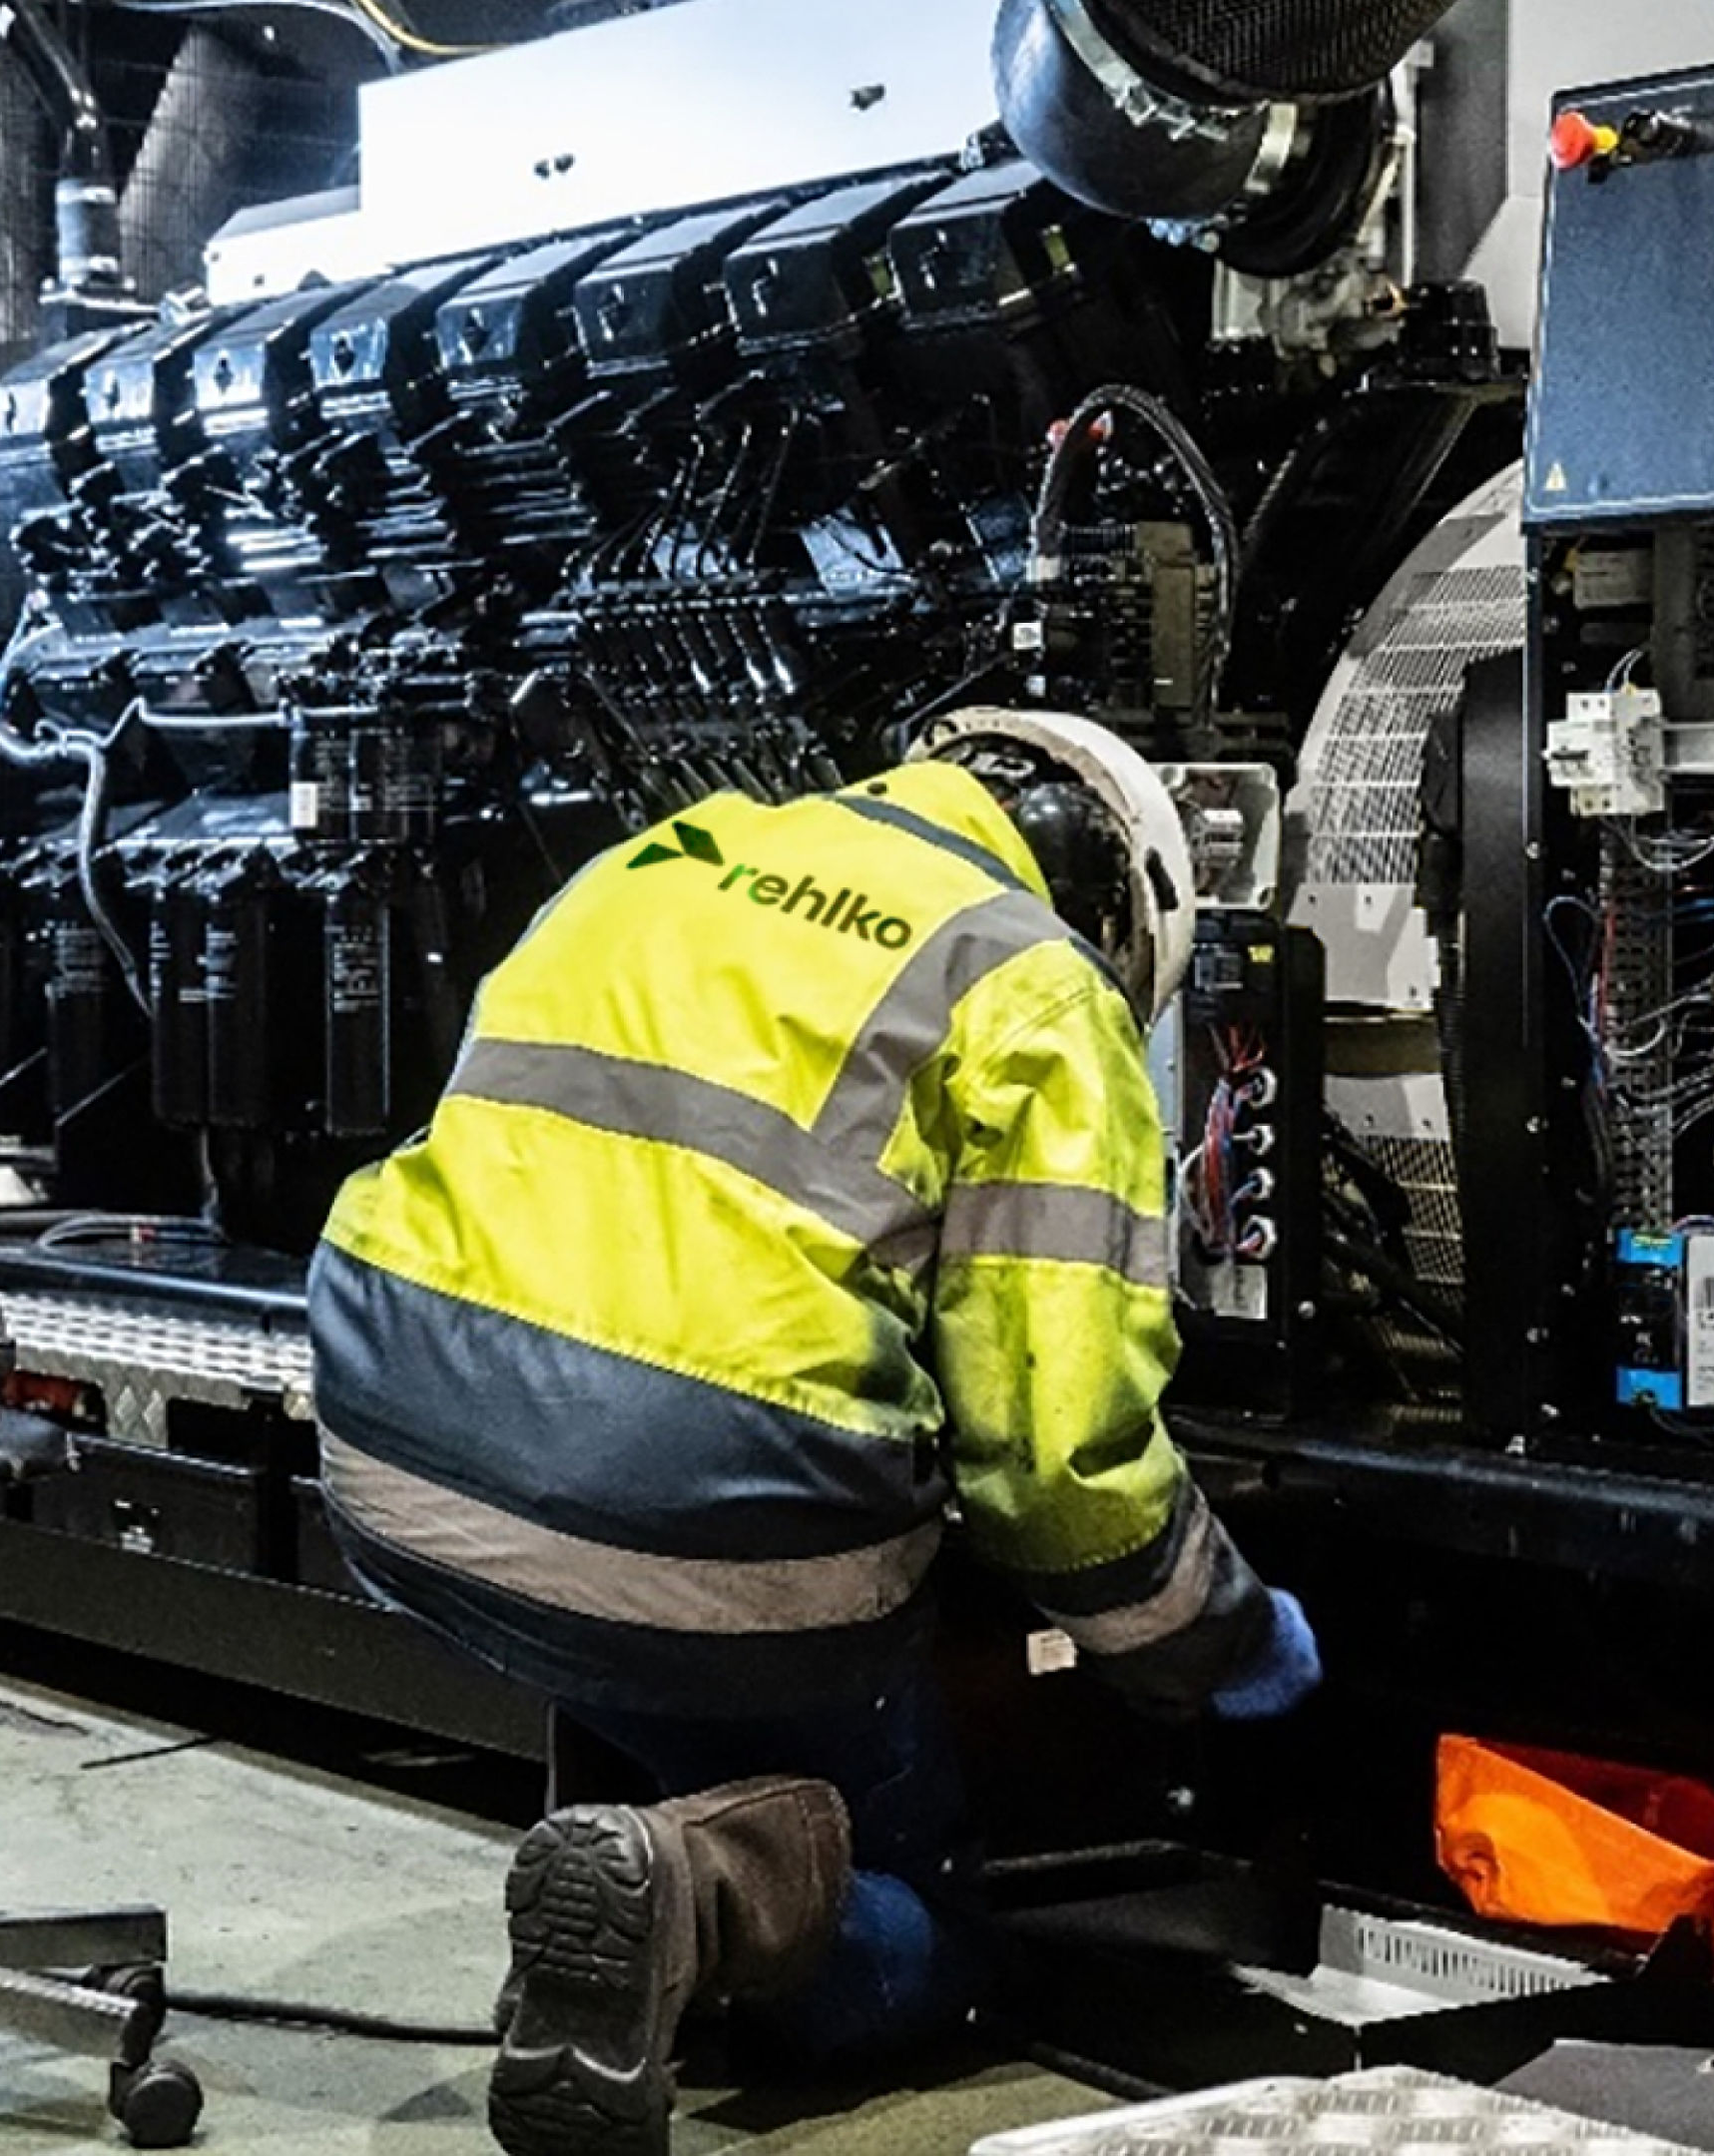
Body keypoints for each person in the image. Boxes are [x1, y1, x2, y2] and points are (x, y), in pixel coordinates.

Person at [307, 710, 1323, 2156]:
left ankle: (615, 1896)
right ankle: (701, 1896)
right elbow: (1058, 1465)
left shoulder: (663, 859)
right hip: (691, 1525)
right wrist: (1220, 1637)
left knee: (644, 1664)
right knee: (938, 1939)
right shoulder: (1032, 979)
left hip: (394, 1451)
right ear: (1112, 899)